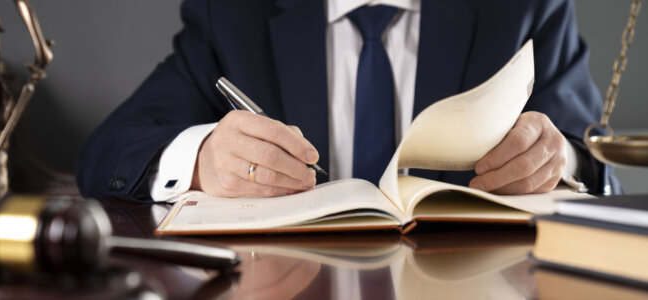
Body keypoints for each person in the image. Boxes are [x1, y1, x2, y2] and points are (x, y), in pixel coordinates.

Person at [76, 0, 620, 202]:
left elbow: (592, 159)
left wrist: (558, 160)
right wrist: (200, 159)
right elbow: (110, 152)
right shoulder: (233, 13)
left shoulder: (525, 8)